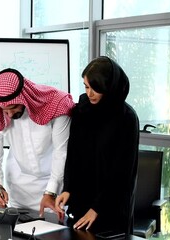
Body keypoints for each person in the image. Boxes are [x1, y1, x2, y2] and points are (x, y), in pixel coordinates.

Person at [55, 56, 139, 235]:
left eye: (96, 88)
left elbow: (122, 172)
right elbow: (74, 156)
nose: (90, 93)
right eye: (86, 87)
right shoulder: (82, 111)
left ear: (109, 87)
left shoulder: (126, 118)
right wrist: (68, 188)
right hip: (81, 202)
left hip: (111, 205)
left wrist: (97, 209)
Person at [0, 68, 75, 216]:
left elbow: (62, 152)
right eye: (4, 110)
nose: (9, 114)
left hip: (54, 186)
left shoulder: (57, 104)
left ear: (23, 97)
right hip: (19, 189)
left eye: (13, 108)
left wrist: (51, 191)